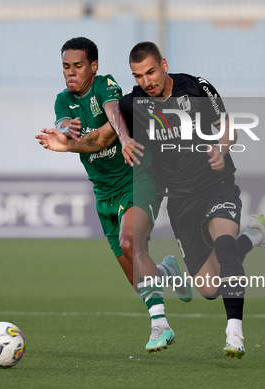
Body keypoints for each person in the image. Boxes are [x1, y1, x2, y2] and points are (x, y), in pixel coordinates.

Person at [120, 41, 265, 358]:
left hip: (215, 183)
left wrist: (220, 149)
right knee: (209, 288)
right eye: (138, 76)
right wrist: (69, 135)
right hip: (180, 201)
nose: (146, 81)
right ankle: (254, 235)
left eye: (150, 71)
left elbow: (228, 129)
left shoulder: (196, 86)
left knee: (224, 244)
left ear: (164, 64)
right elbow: (106, 126)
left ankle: (234, 333)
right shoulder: (134, 102)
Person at [35, 37, 192, 303]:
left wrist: (124, 136)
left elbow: (113, 112)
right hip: (103, 191)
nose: (70, 72)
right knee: (138, 283)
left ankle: (160, 326)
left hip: (134, 180)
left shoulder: (104, 84)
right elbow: (62, 124)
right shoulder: (63, 99)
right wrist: (64, 130)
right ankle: (168, 271)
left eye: (77, 65)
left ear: (93, 66)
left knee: (129, 243)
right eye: (65, 66)